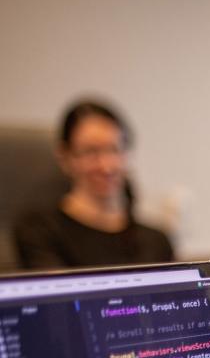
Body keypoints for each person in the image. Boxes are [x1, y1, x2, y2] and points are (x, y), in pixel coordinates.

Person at [13, 99, 174, 269]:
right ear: (65, 157)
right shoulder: (39, 231)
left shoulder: (156, 241)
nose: (106, 166)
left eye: (114, 149)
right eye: (91, 152)